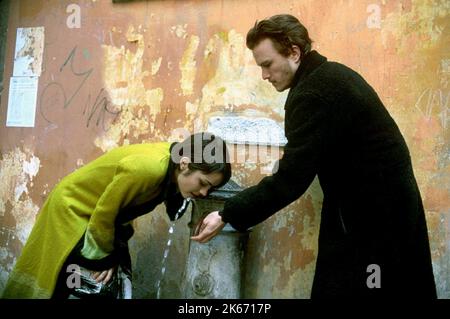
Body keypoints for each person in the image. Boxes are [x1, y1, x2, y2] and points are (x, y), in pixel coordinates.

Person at [191, 14, 437, 298]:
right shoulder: (332, 76)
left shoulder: (314, 94)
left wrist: (227, 213)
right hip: (379, 211)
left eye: (268, 65)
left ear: (294, 52)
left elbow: (290, 180)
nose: (265, 76)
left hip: (372, 219)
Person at [3, 132, 231, 299]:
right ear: (185, 164)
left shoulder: (173, 166)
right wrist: (103, 258)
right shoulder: (147, 169)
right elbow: (104, 213)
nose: (203, 193)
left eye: (209, 190)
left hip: (100, 219)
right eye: (203, 184)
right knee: (64, 280)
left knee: (110, 281)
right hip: (74, 209)